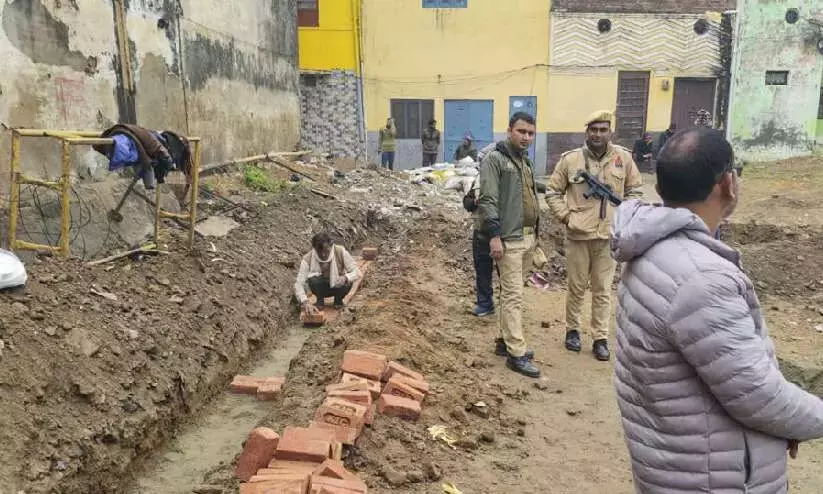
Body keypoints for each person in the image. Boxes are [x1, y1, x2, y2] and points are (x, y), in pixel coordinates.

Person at [611, 127, 823, 493]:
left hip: (680, 464)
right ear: (728, 183)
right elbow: (758, 396)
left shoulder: (653, 249)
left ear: (660, 189)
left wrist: (784, 424)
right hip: (710, 478)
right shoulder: (700, 276)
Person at [545, 110, 643, 361]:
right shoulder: (571, 160)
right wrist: (568, 218)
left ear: (610, 132)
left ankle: (600, 337)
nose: (598, 134)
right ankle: (573, 331)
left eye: (603, 130)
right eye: (593, 130)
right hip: (578, 236)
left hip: (608, 237)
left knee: (602, 290)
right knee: (576, 288)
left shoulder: (624, 158)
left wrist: (624, 217)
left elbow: (635, 192)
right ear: (586, 132)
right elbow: (552, 192)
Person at [478, 112, 541, 378]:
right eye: (521, 131)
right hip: (509, 239)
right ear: (509, 131)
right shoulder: (495, 159)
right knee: (513, 296)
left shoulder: (524, 161)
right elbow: (487, 199)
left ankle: (505, 341)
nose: (526, 137)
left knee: (512, 295)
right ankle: (516, 354)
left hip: (527, 238)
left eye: (530, 133)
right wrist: (494, 236)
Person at [294, 232, 361, 315]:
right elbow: (299, 283)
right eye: (319, 252)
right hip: (320, 288)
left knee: (349, 281)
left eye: (326, 251)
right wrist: (305, 302)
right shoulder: (308, 258)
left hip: (338, 286)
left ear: (331, 245)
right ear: (314, 248)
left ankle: (338, 301)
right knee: (313, 279)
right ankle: (320, 301)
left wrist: (346, 278)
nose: (323, 255)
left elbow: (357, 272)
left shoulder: (340, 251)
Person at [463, 175, 494, 317]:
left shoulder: (504, 178)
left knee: (506, 273)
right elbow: (467, 203)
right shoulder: (478, 180)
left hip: (502, 232)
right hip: (481, 232)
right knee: (482, 269)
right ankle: (485, 304)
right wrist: (475, 201)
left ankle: (509, 307)